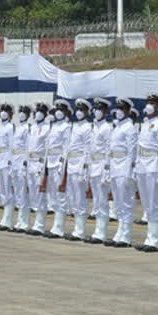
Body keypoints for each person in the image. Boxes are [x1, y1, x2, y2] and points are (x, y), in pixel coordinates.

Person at [133, 93, 158, 253]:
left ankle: (153, 240)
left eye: (152, 103)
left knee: (154, 203)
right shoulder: (145, 124)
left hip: (153, 166)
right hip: (142, 166)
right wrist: (136, 167)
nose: (149, 106)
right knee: (147, 204)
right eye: (148, 103)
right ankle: (149, 238)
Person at [105, 97, 138, 248]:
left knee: (126, 201)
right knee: (118, 202)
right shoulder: (117, 127)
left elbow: (132, 151)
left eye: (122, 109)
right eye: (117, 108)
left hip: (124, 166)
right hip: (115, 166)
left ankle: (126, 235)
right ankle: (120, 231)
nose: (119, 111)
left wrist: (130, 171)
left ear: (128, 111)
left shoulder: (130, 127)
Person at [43, 99, 72, 238]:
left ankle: (59, 226)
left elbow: (66, 148)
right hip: (51, 162)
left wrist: (63, 165)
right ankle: (55, 225)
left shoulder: (66, 126)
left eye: (61, 110)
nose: (58, 112)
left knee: (61, 196)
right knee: (53, 194)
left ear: (66, 112)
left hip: (59, 163)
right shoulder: (54, 126)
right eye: (57, 110)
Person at [86, 98, 113, 244]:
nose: (97, 112)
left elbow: (109, 150)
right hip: (93, 166)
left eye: (100, 109)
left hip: (102, 165)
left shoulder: (106, 128)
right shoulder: (95, 127)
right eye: (95, 109)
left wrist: (107, 170)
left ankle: (101, 231)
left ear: (105, 112)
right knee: (96, 200)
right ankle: (98, 230)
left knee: (102, 200)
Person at [64, 98, 92, 241]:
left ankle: (80, 230)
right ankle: (76, 229)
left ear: (88, 112)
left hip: (80, 165)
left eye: (82, 110)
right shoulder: (75, 126)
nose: (79, 112)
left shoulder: (88, 127)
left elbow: (87, 149)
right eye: (78, 109)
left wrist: (84, 168)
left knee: (80, 198)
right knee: (74, 197)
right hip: (72, 164)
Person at [25, 102, 50, 236]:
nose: (38, 113)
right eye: (37, 111)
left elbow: (46, 148)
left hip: (40, 163)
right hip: (30, 162)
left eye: (41, 111)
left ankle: (40, 224)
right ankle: (34, 223)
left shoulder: (48, 127)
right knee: (33, 193)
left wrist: (44, 166)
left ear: (45, 114)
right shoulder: (32, 127)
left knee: (41, 195)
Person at [0, 104, 15, 230]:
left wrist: (10, 161)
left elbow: (12, 145)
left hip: (6, 160)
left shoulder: (11, 127)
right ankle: (4, 219)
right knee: (2, 190)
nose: (3, 113)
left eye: (6, 111)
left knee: (8, 190)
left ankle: (8, 220)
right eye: (2, 110)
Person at [11, 105, 31, 232]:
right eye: (21, 112)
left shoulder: (27, 128)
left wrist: (25, 164)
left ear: (29, 115)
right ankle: (19, 221)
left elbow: (27, 147)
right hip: (15, 162)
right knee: (18, 192)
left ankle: (24, 222)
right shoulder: (17, 128)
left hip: (22, 162)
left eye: (25, 113)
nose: (22, 114)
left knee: (23, 193)